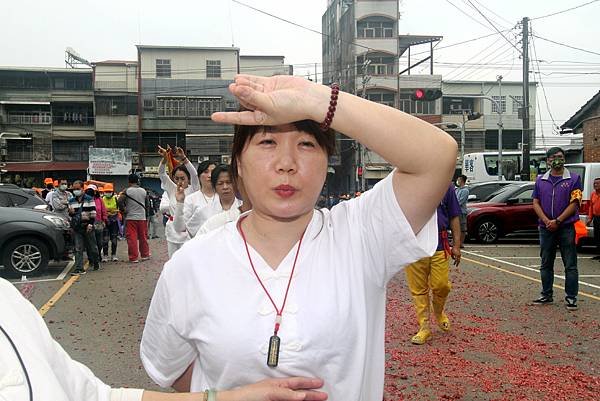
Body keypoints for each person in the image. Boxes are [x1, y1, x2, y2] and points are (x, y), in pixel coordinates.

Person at [140, 74, 456, 399]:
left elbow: (437, 156)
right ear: (239, 164)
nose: (287, 164)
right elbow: (173, 368)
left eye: (306, 144)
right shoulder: (191, 265)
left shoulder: (360, 236)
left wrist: (318, 101)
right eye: (267, 142)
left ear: (327, 163)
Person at [0, 278, 328, 401]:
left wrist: (232, 397)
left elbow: (96, 396)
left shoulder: (8, 300)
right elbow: (168, 364)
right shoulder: (192, 262)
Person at [405, 183, 461, 345]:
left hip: (439, 243)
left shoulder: (446, 186)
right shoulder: (404, 185)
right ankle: (424, 327)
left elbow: (454, 216)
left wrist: (456, 245)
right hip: (414, 244)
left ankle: (438, 311)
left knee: (441, 285)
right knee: (418, 289)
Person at [532, 147, 582, 310]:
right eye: (553, 157)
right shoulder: (540, 180)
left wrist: (558, 221)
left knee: (570, 263)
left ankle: (571, 297)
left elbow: (575, 203)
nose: (557, 160)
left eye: (560, 157)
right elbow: (535, 202)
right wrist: (547, 221)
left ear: (564, 159)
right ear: (547, 161)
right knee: (546, 262)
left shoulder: (574, 179)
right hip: (545, 228)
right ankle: (546, 294)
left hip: (566, 227)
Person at [158, 146, 200, 257]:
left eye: (183, 178)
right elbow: (162, 174)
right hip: (172, 230)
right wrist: (164, 160)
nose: (179, 182)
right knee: (173, 260)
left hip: (188, 230)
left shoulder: (193, 189)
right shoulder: (172, 189)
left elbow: (195, 174)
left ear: (188, 178)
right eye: (177, 178)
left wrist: (184, 159)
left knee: (187, 260)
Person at [174, 164, 238, 238]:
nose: (225, 187)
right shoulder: (202, 211)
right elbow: (183, 229)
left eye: (229, 182)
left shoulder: (245, 207)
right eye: (220, 183)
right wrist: (180, 203)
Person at [176, 160, 218, 238]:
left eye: (213, 172)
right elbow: (180, 227)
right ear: (198, 176)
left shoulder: (224, 197)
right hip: (198, 243)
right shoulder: (191, 199)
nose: (210, 175)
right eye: (206, 172)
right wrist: (180, 203)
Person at [118, 174, 150, 263]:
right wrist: (146, 215)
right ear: (138, 181)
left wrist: (123, 210)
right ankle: (145, 255)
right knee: (143, 237)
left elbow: (120, 201)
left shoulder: (127, 191)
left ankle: (133, 258)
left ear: (129, 181)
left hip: (130, 218)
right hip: (142, 218)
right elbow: (147, 205)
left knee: (132, 238)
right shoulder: (143, 191)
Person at [69, 180, 99, 274]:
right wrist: (71, 213)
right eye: (74, 189)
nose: (76, 191)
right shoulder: (71, 201)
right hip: (78, 228)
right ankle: (79, 268)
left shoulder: (89, 199)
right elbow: (72, 216)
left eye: (77, 189)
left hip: (88, 226)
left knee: (93, 247)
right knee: (78, 248)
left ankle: (96, 262)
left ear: (82, 189)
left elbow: (93, 213)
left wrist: (90, 224)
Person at [88, 184, 108, 264]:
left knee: (99, 242)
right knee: (90, 242)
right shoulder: (85, 200)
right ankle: (91, 259)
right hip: (89, 223)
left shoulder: (99, 200)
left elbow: (103, 210)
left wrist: (104, 220)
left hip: (99, 223)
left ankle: (98, 254)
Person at [102, 183, 120, 262]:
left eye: (109, 191)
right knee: (105, 239)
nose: (108, 193)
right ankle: (105, 255)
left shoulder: (116, 199)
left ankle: (114, 255)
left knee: (114, 239)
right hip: (105, 221)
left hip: (114, 221)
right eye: (106, 191)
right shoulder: (102, 199)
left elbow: (118, 209)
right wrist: (109, 212)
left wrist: (110, 211)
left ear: (112, 192)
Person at [587, 177, 600, 259]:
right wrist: (590, 218)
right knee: (597, 236)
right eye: (594, 183)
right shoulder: (593, 194)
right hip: (596, 218)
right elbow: (591, 207)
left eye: (597, 183)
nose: (595, 185)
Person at [455, 174, 469, 247]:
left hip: (462, 212)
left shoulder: (465, 190)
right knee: (456, 227)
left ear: (462, 180)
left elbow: (460, 201)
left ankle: (461, 242)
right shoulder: (457, 190)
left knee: (462, 228)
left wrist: (454, 205)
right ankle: (456, 242)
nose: (458, 181)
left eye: (459, 180)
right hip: (456, 211)